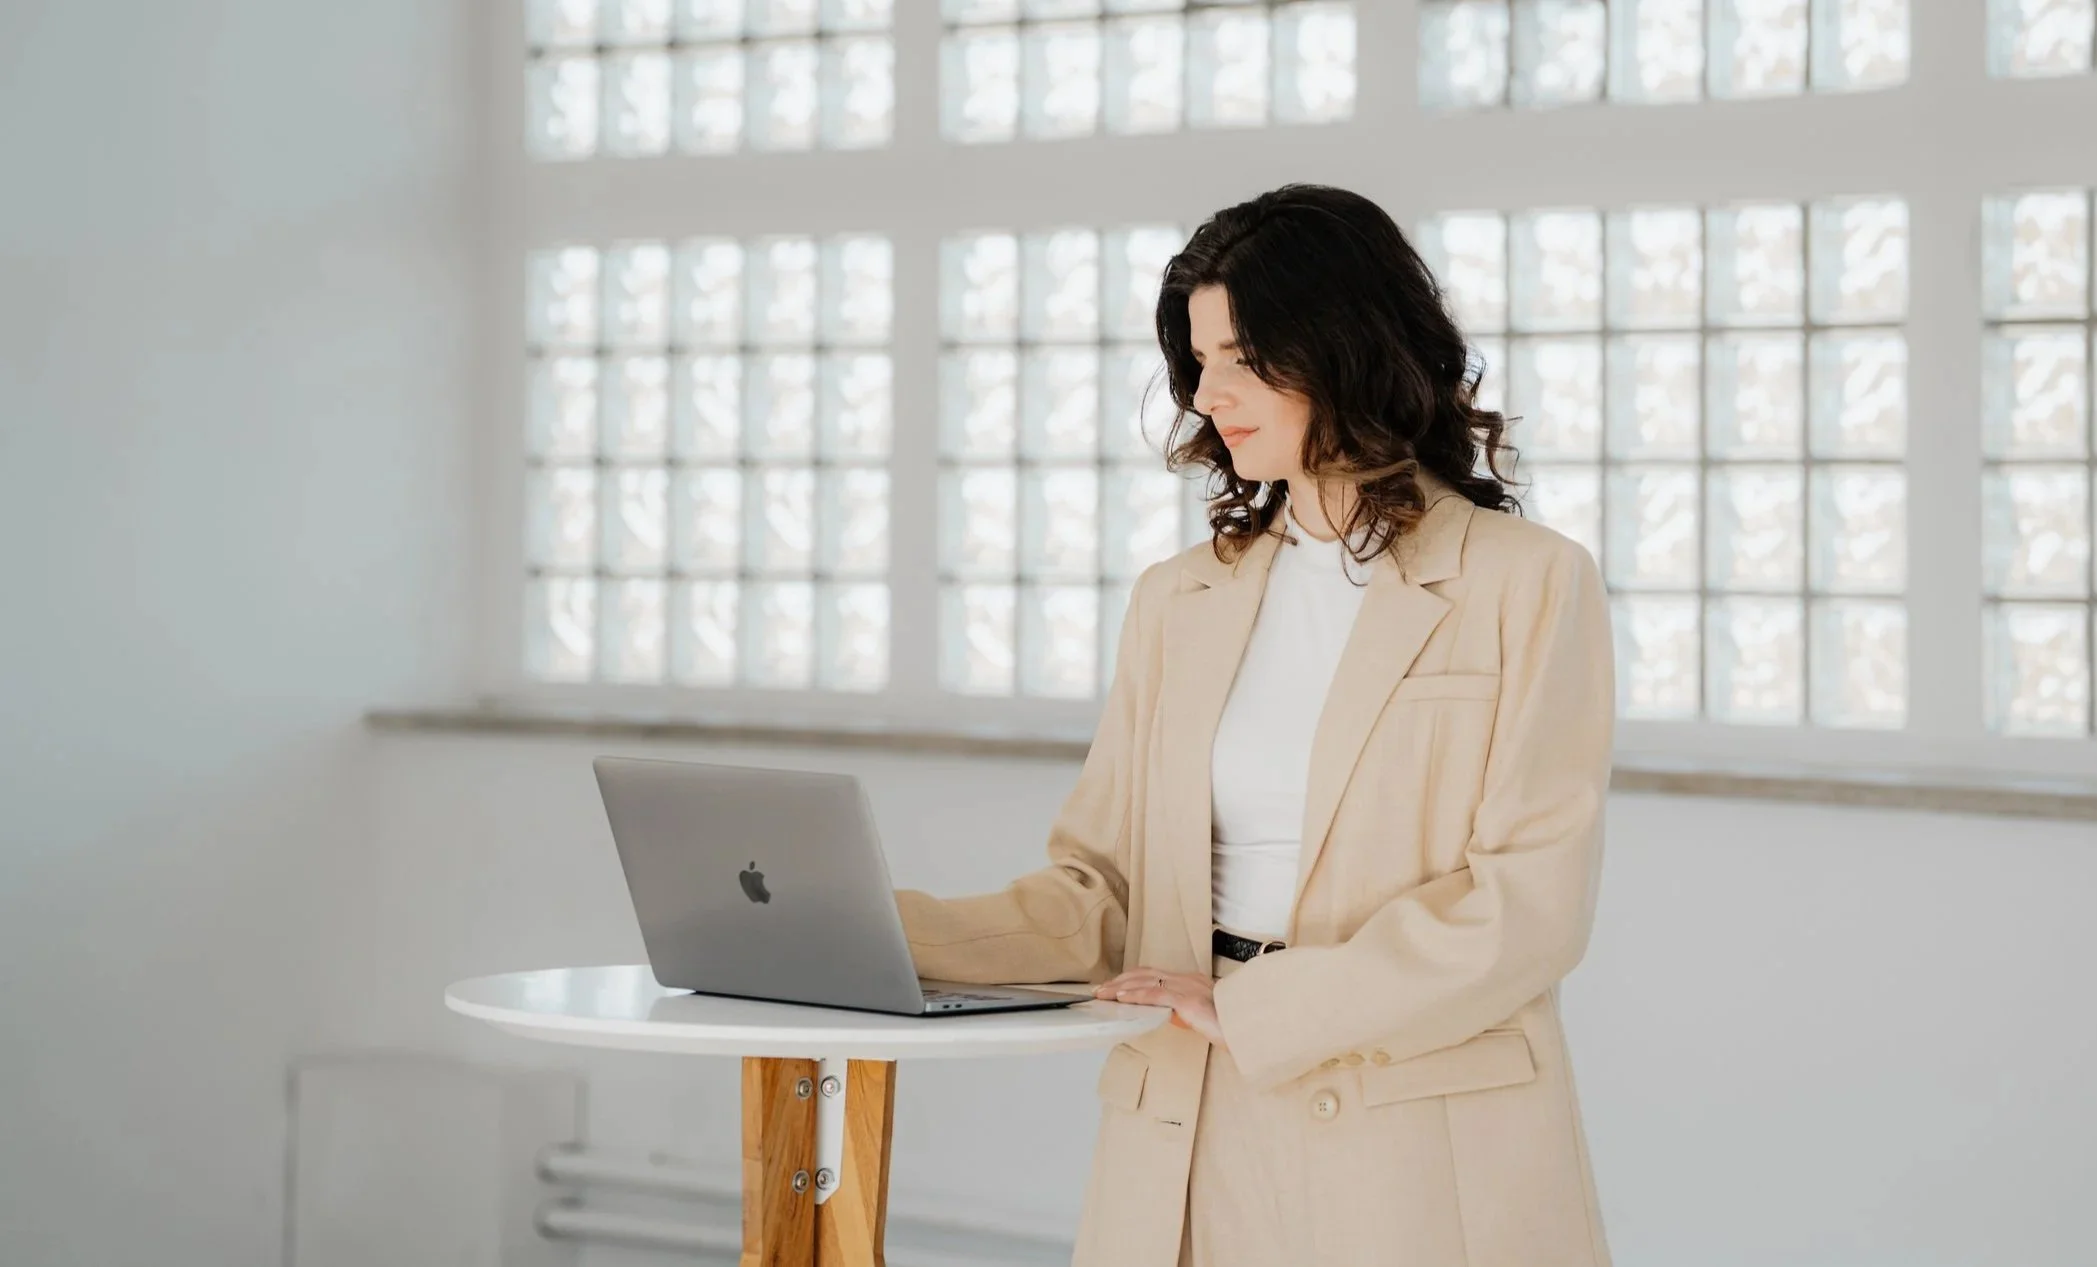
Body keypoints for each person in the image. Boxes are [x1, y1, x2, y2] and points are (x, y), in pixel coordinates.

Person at [894, 183, 1615, 1267]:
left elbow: (1526, 909)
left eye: (1245, 358)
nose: (1210, 394)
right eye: (1201, 361)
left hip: (1415, 1132)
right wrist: (879, 935)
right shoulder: (1179, 600)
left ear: (1347, 349)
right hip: (1187, 1120)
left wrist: (1264, 1007)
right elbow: (1106, 895)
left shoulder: (1527, 584)